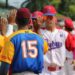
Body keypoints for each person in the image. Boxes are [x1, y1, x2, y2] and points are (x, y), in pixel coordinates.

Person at [0, 8, 48, 75]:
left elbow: (5, 64)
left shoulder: (12, 38)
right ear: (29, 21)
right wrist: (38, 30)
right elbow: (45, 50)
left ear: (16, 21)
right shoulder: (39, 38)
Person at [40, 5, 75, 75]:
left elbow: (73, 46)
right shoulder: (39, 33)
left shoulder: (64, 34)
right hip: (44, 71)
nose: (49, 19)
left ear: (55, 18)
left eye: (51, 17)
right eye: (47, 17)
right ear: (43, 18)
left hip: (60, 71)